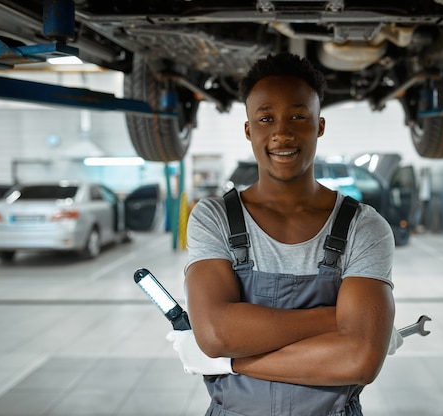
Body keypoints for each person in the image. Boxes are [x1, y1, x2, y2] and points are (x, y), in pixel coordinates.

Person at [166, 53, 400, 416]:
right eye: (265, 118)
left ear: (319, 125)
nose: (282, 132)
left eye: (298, 116)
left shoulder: (364, 227)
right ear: (249, 129)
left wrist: (231, 363)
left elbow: (359, 360)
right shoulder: (214, 218)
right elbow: (215, 334)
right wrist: (334, 319)